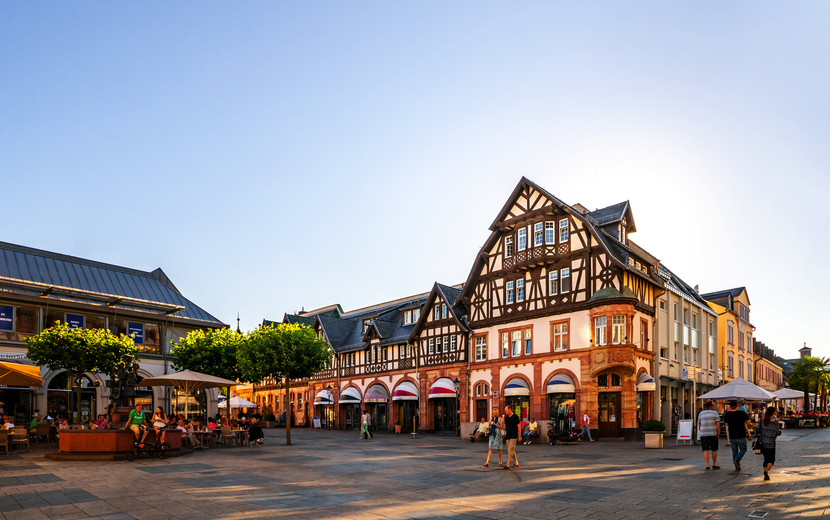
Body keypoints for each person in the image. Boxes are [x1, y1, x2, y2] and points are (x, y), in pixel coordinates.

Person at [723, 400, 751, 471]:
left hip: (732, 435)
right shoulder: (742, 413)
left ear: (730, 406)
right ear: (737, 405)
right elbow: (748, 423)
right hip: (741, 434)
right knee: (743, 449)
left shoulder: (727, 414)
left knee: (734, 450)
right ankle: (737, 459)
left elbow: (726, 424)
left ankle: (736, 464)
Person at [757, 406, 781, 481]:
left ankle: (765, 473)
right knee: (771, 460)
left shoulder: (762, 421)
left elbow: (758, 429)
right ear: (773, 413)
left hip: (763, 443)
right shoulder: (775, 422)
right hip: (771, 443)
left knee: (765, 459)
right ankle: (766, 472)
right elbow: (777, 432)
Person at [697, 400, 721, 470]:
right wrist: (718, 432)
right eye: (713, 405)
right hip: (713, 433)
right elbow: (718, 424)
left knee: (705, 449)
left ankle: (707, 465)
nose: (713, 406)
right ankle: (714, 464)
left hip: (703, 434)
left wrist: (701, 430)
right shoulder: (715, 413)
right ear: (710, 406)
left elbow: (699, 424)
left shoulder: (701, 414)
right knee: (714, 449)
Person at [503, 405, 521, 469]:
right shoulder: (506, 418)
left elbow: (519, 426)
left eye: (506, 410)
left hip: (514, 435)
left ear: (510, 409)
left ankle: (507, 464)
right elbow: (505, 429)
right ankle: (516, 463)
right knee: (511, 450)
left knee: (511, 449)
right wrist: (503, 423)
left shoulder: (515, 416)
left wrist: (519, 435)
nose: (505, 412)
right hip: (508, 435)